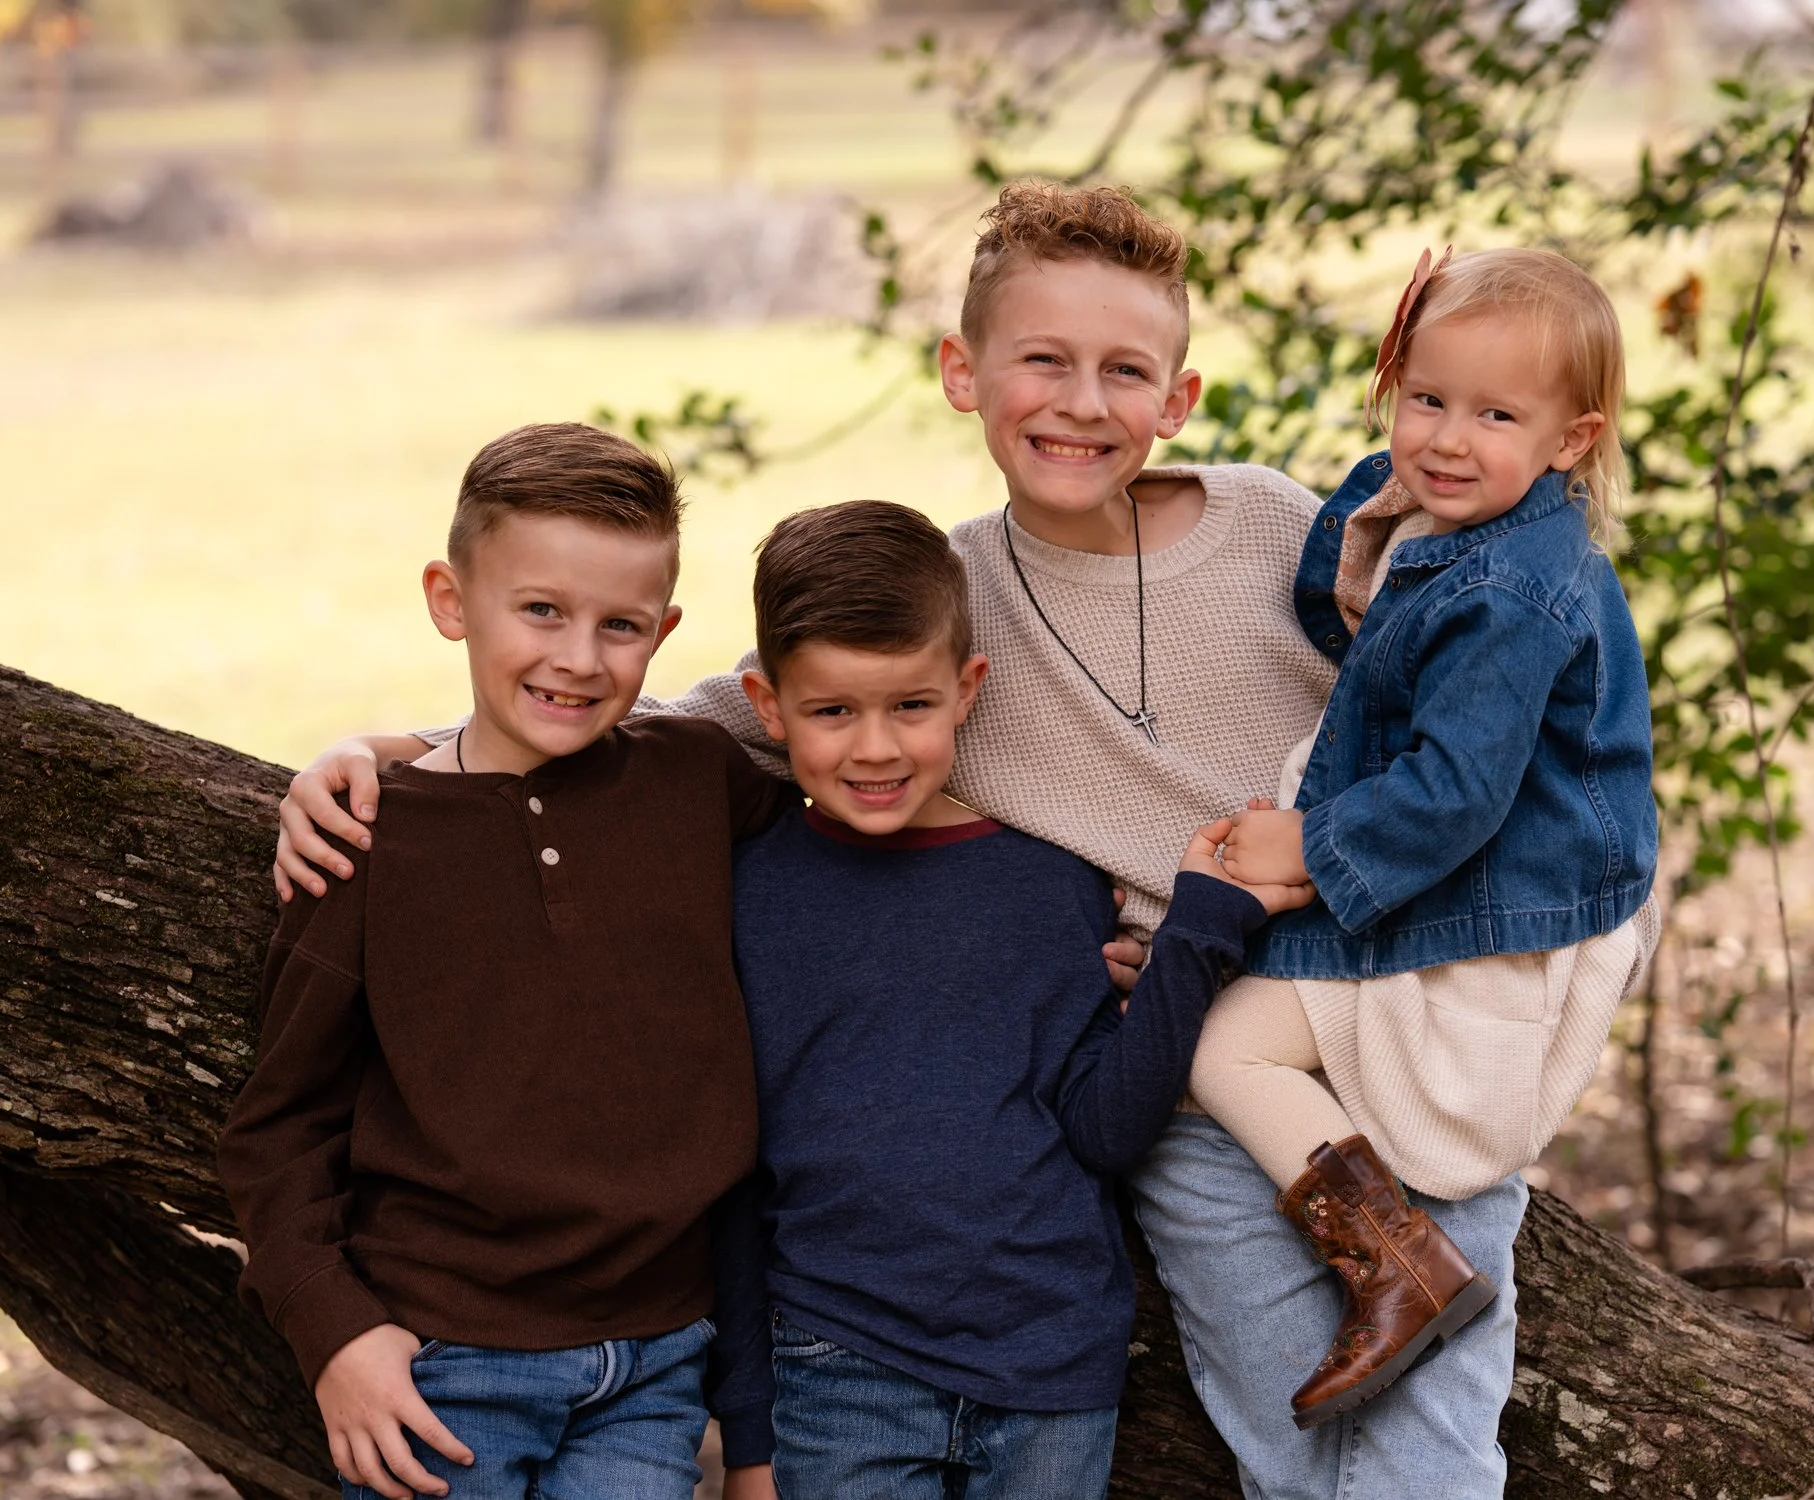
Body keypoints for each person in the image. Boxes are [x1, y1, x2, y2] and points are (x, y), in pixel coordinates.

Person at [266, 186, 1546, 1494]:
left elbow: (1465, 710)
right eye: (1040, 360)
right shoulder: (942, 604)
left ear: (1177, 397)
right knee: (1294, 1430)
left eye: (1121, 371)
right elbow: (659, 712)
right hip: (1176, 1073)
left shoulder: (1281, 531)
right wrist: (393, 754)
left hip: (1383, 1022)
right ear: (962, 374)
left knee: (1435, 1421)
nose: (1078, 403)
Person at [217, 423, 796, 1500]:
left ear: (664, 632)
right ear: (450, 601)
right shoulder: (367, 840)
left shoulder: (700, 779)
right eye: (541, 611)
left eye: (621, 626)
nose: (579, 658)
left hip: (660, 1358)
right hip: (444, 1362)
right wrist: (335, 1332)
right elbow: (277, 1130)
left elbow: (862, 806)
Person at [707, 498, 1312, 1497]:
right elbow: (731, 1176)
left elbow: (1105, 1127)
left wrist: (1202, 929)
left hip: (1047, 1369)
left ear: (967, 689)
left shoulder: (1051, 885)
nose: (875, 748)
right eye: (830, 712)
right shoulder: (752, 895)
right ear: (767, 707)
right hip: (837, 1363)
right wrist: (750, 1437)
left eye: (910, 705)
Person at [1200, 246, 1660, 1433]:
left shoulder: (1514, 590)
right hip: (1468, 859)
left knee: (1224, 1050)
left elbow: (1456, 791)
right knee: (1235, 1032)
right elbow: (1369, 601)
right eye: (1427, 400)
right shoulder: (1451, 521)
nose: (1448, 439)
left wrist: (1308, 850)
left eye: (1496, 414)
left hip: (1500, 885)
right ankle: (1390, 1257)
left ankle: (1397, 1268)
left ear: (1570, 440)